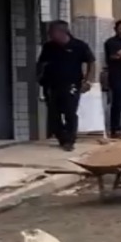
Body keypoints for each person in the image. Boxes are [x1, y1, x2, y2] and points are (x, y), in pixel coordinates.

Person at [37, 20, 96, 151]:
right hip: (51, 84)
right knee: (53, 113)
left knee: (70, 111)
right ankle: (62, 137)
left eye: (51, 32)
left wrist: (88, 81)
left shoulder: (79, 45)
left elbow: (91, 62)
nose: (49, 34)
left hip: (72, 84)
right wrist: (40, 77)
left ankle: (70, 139)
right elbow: (42, 63)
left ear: (61, 32)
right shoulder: (49, 46)